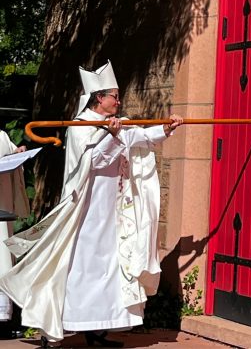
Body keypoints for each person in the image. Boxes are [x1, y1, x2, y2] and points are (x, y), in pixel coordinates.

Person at [0, 60, 183, 347]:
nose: (119, 101)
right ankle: (63, 325)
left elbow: (142, 137)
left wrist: (167, 127)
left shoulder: (115, 124)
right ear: (99, 98)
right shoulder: (80, 126)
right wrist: (111, 136)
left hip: (110, 212)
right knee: (82, 269)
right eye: (115, 96)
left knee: (108, 269)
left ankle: (98, 328)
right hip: (85, 211)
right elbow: (92, 161)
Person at [0, 130, 29, 332]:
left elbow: (9, 154)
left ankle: (2, 320)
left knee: (3, 258)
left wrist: (17, 153)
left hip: (2, 207)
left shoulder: (1, 135)